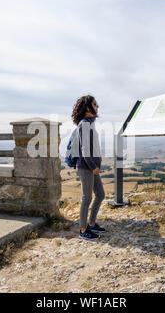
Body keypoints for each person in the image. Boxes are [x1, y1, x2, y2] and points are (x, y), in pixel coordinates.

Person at [71, 95, 106, 240]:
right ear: (87, 108)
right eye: (95, 104)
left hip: (92, 167)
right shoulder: (84, 124)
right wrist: (93, 166)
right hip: (87, 167)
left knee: (100, 194)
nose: (97, 106)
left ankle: (91, 223)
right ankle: (83, 230)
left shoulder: (90, 123)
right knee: (87, 198)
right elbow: (85, 149)